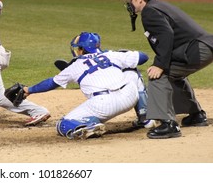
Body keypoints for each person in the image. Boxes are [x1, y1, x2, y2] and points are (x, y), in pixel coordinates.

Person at [122, 0, 213, 139]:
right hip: (203, 46)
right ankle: (196, 115)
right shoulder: (159, 5)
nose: (130, 3)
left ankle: (168, 124)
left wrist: (160, 64)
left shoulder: (149, 11)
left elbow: (166, 34)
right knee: (174, 74)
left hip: (197, 49)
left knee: (158, 75)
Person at [17, 31, 150, 139]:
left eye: (78, 48)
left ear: (82, 49)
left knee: (63, 125)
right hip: (130, 96)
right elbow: (143, 57)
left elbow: (51, 83)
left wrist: (29, 90)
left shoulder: (75, 66)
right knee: (131, 70)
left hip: (104, 106)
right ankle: (145, 118)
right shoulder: (111, 55)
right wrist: (121, 55)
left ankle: (90, 125)